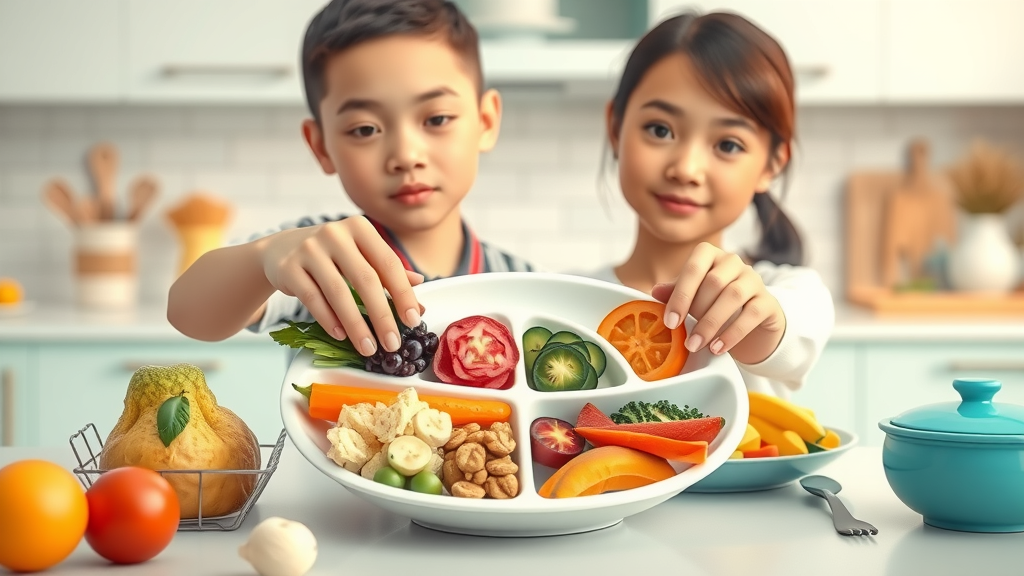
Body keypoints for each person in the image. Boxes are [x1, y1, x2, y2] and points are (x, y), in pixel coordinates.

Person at [167, 0, 533, 355]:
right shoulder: (316, 254)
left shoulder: (524, 280)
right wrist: (265, 259)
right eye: (364, 129)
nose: (406, 156)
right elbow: (186, 313)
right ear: (321, 146)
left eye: (436, 119)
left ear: (485, 121)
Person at [581, 11, 834, 398]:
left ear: (771, 164)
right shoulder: (566, 293)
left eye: (728, 145)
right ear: (615, 127)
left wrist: (763, 324)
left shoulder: (790, 292)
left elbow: (793, 331)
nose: (686, 169)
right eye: (660, 130)